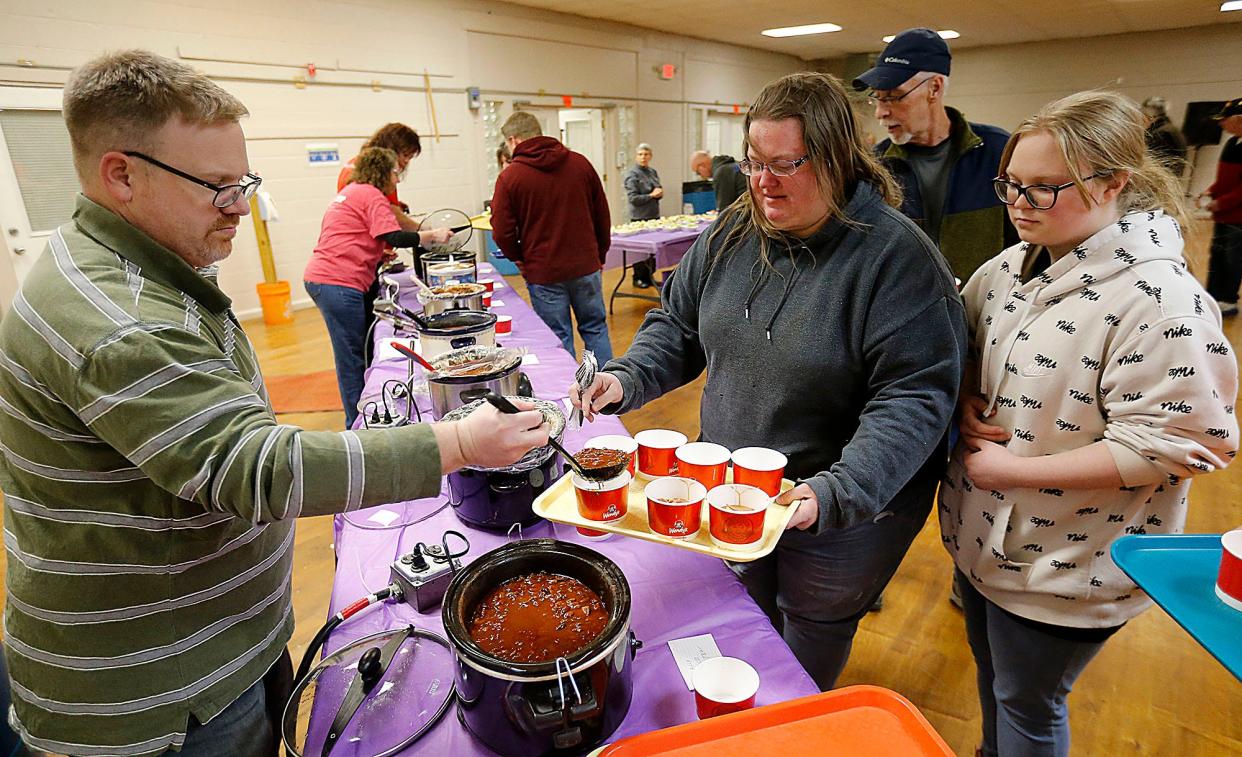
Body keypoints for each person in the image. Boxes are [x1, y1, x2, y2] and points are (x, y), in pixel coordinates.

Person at [0, 50, 549, 757]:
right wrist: (462, 444)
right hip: (168, 693)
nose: (241, 206)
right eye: (218, 187)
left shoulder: (141, 269)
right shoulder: (117, 319)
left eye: (244, 182)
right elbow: (258, 469)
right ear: (122, 174)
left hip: (213, 647)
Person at [573, 72, 966, 689]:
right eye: (754, 162)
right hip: (736, 484)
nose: (762, 183)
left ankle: (790, 722)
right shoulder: (734, 229)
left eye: (784, 165)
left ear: (837, 160)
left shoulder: (897, 260)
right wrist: (627, 377)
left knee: (809, 632)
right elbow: (678, 323)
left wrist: (837, 492)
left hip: (839, 503)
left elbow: (913, 397)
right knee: (741, 611)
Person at [941, 90, 1237, 757]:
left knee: (1030, 700)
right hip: (986, 538)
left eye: (1045, 188)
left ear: (1114, 183)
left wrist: (1007, 469)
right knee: (999, 680)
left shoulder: (1161, 300)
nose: (1020, 202)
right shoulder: (1008, 268)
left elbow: (1184, 441)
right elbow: (961, 344)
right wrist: (963, 393)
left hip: (1071, 565)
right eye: (1011, 184)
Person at [854, 27, 1017, 283]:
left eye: (894, 97)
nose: (880, 113)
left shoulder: (998, 152)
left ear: (934, 88)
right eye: (878, 99)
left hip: (986, 310)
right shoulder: (875, 165)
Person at [305, 147, 452, 428]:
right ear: (383, 172)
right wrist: (430, 236)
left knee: (354, 353)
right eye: (395, 173)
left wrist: (373, 252)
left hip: (324, 279)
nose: (397, 181)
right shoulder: (371, 194)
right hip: (339, 283)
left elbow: (351, 234)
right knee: (352, 358)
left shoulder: (352, 191)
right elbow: (392, 234)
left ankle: (361, 418)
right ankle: (357, 425)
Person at [491, 111, 614, 363]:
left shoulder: (510, 177)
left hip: (543, 271)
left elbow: (501, 231)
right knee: (595, 329)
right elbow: (602, 215)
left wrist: (519, 259)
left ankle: (572, 398)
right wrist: (599, 255)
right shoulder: (581, 164)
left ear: (513, 140)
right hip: (585, 265)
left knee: (557, 337)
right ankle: (607, 393)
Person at [337, 122, 423, 231]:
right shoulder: (379, 173)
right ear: (390, 149)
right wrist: (424, 230)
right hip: (363, 243)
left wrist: (395, 204)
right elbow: (392, 214)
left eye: (410, 157)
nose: (406, 161)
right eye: (405, 155)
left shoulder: (353, 165)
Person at [1203, 97, 1242, 315]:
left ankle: (1228, 299)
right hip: (1224, 215)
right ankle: (1213, 295)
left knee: (1232, 258)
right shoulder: (1232, 143)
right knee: (1216, 255)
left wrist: (1221, 202)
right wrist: (1211, 190)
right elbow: (1225, 178)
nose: (1221, 124)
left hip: (1238, 217)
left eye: (1224, 120)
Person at [624, 143, 662, 288]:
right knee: (640, 253)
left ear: (650, 156)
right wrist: (651, 195)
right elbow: (633, 198)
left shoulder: (652, 172)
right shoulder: (632, 174)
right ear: (636, 156)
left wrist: (658, 194)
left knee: (652, 252)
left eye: (646, 154)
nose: (643, 157)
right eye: (640, 154)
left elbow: (658, 189)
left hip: (653, 216)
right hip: (639, 218)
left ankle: (649, 276)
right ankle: (638, 278)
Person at [1141, 96, 1189, 177]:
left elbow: (1151, 163)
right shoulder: (1171, 129)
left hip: (1160, 181)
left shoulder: (1161, 133)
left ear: (1150, 115)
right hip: (1171, 181)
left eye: (1144, 114)